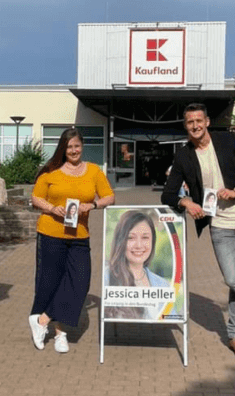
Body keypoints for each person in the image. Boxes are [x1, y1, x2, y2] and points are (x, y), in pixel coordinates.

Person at [161, 104, 235, 358]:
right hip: (219, 224)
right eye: (189, 122)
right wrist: (187, 202)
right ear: (186, 126)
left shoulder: (227, 141)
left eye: (198, 120)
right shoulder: (184, 155)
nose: (194, 125)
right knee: (234, 278)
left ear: (206, 121)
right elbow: (168, 194)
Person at [28, 128, 115, 353]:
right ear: (63, 148)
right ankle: (60, 334)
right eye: (69, 147)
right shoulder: (50, 171)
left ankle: (41, 320)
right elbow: (36, 197)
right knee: (51, 282)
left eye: (77, 146)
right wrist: (52, 208)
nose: (73, 150)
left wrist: (93, 205)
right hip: (50, 233)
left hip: (80, 235)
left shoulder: (94, 171)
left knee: (80, 281)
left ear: (82, 146)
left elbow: (109, 196)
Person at [103, 210, 174, 320]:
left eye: (145, 237)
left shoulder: (163, 285)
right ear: (120, 241)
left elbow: (170, 318)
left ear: (152, 241)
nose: (139, 245)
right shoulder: (106, 277)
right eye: (131, 238)